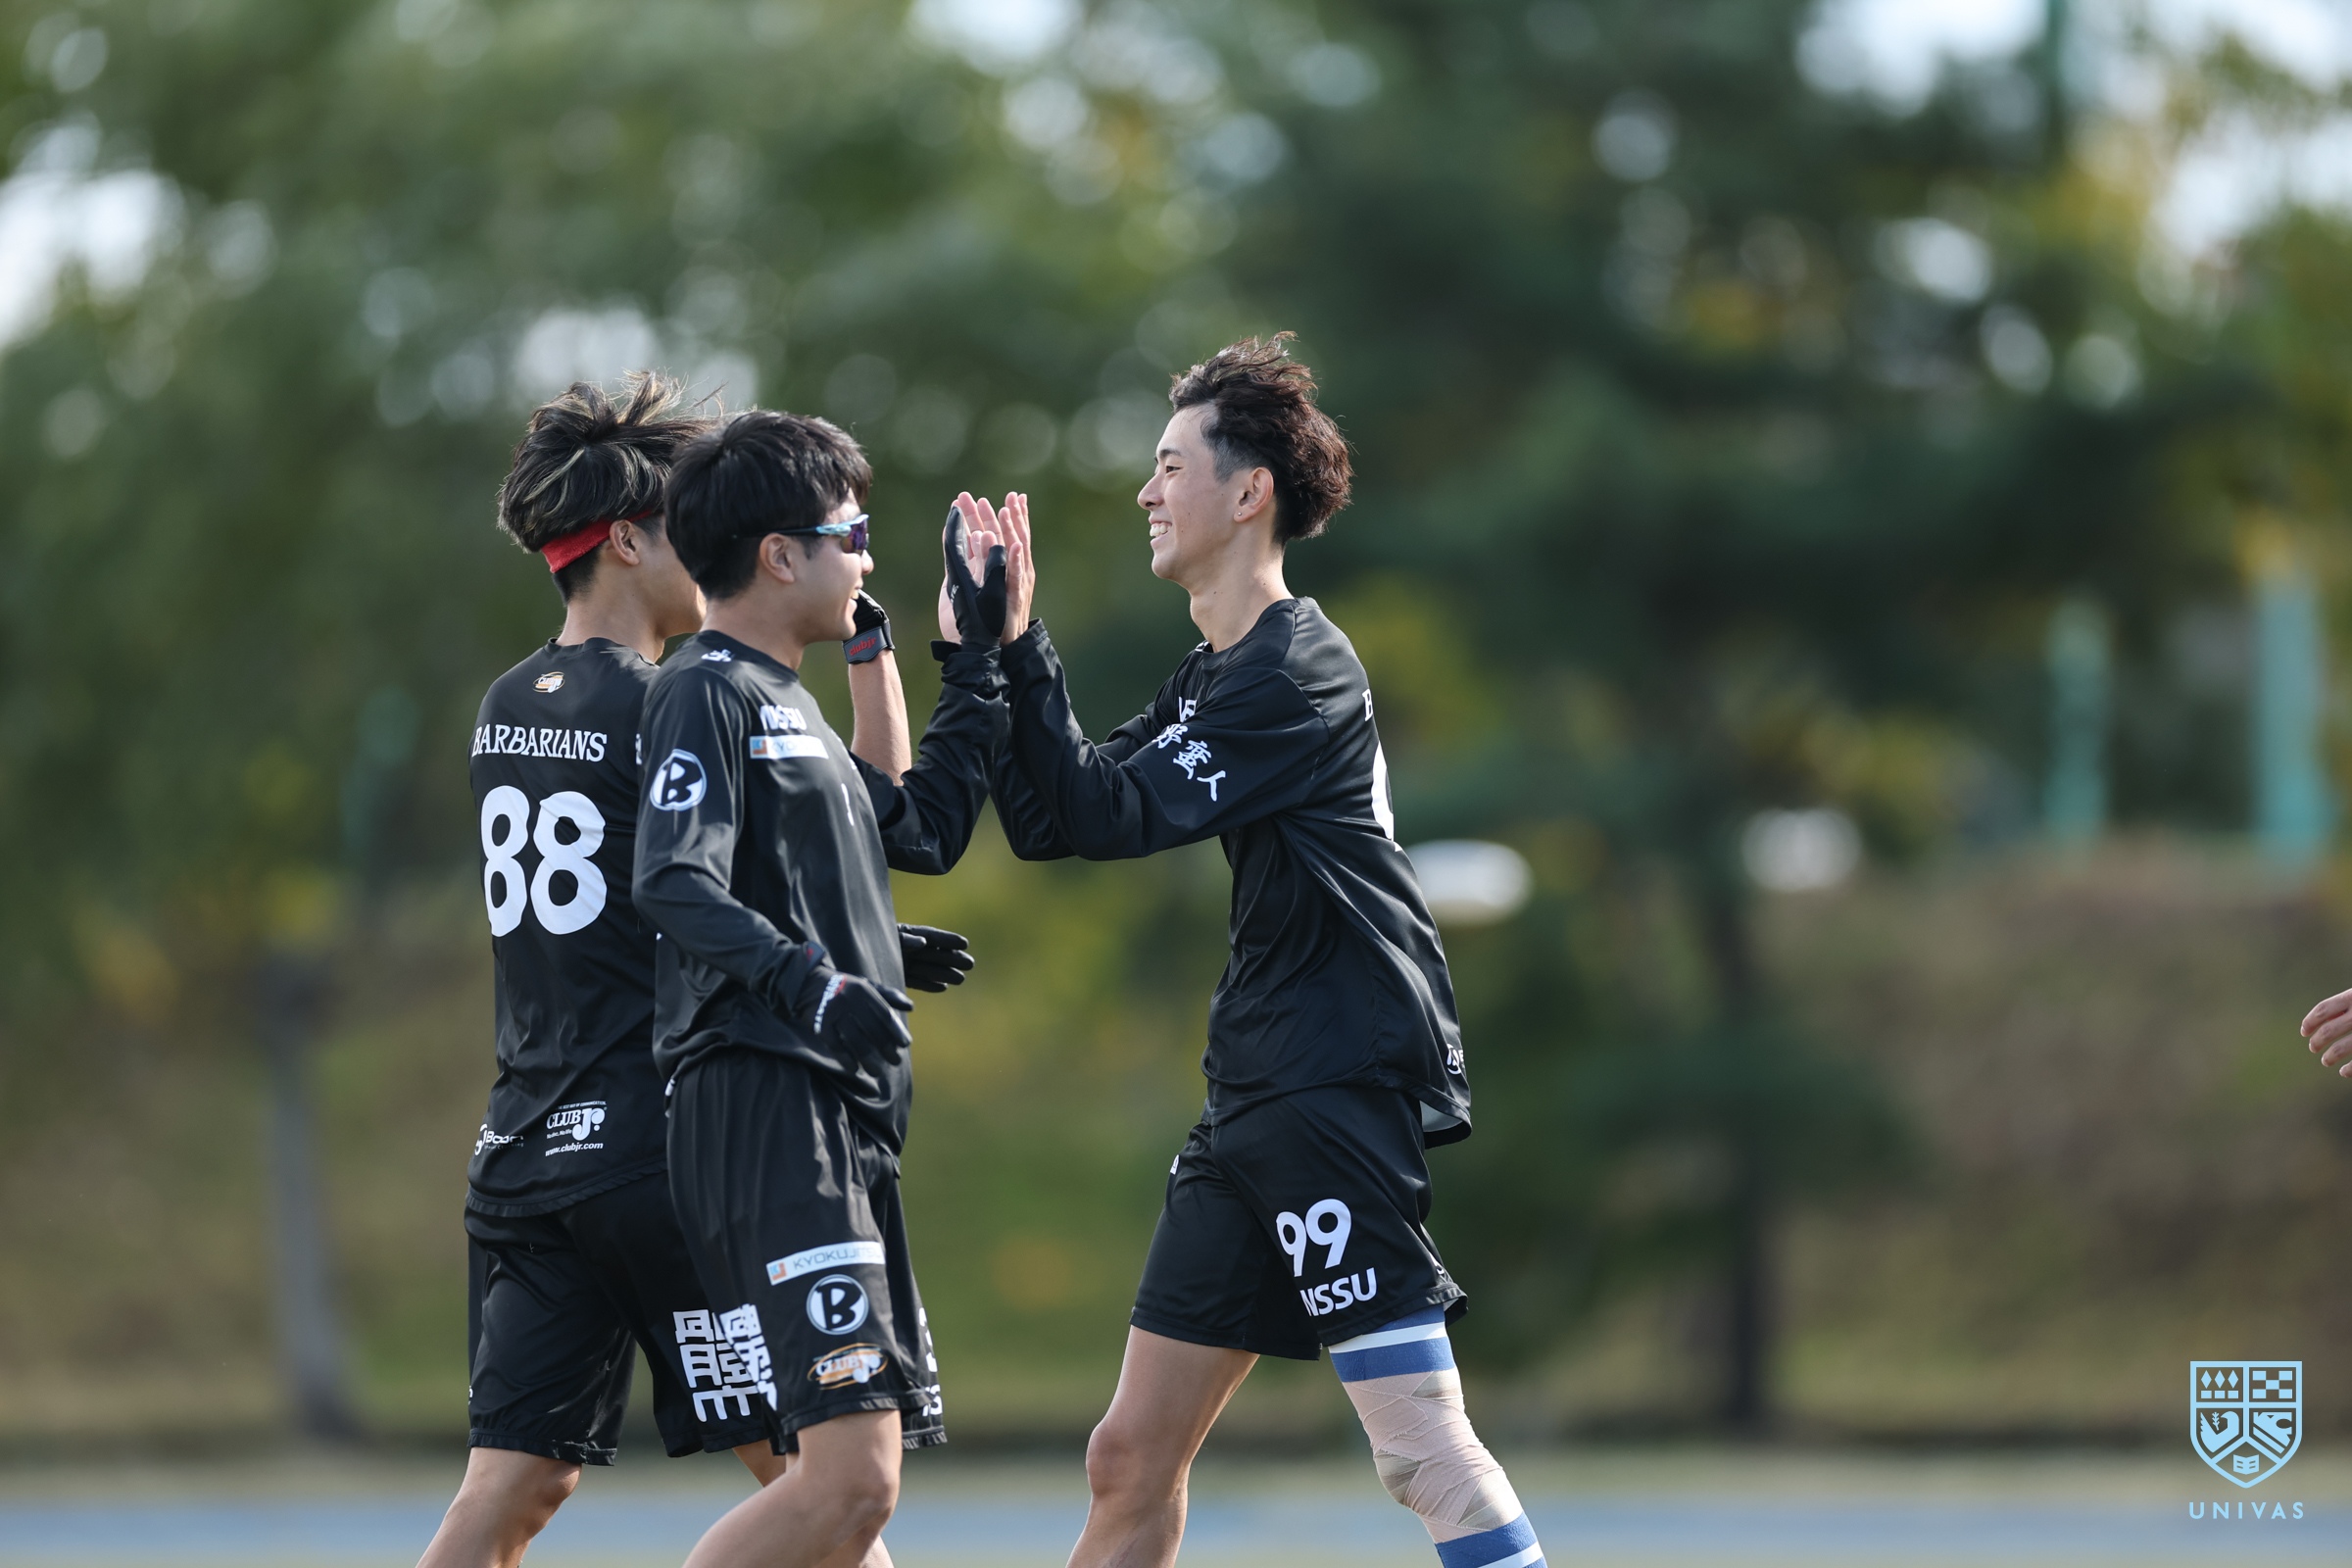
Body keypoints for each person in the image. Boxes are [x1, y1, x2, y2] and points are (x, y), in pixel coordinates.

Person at [966, 336, 1547, 1568]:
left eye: (1171, 464)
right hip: (1258, 1094)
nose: (1146, 490)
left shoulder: (1294, 669)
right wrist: (1004, 647)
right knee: (1130, 1455)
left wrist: (1023, 651)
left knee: (1420, 1447)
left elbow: (1111, 812)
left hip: (1330, 1083)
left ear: (1249, 493)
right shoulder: (1217, 673)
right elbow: (1057, 816)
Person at [422, 374, 784, 1568]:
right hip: (650, 1151)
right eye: (694, 527)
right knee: (825, 1481)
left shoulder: (503, 702)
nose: (717, 553)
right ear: (627, 539)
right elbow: (727, 897)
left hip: (524, 1150)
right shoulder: (673, 699)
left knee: (512, 1487)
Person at [632, 410, 1004, 1568]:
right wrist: (813, 980)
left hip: (834, 1111)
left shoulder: (784, 696)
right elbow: (671, 879)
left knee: (844, 1513)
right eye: (853, 535)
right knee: (852, 1484)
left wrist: (968, 657)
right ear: (779, 556)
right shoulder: (704, 689)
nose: (869, 555)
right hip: (768, 1105)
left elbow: (918, 826)